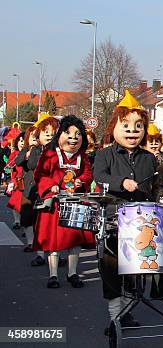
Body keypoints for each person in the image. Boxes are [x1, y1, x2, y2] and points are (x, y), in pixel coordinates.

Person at [94, 90, 159, 335]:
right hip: (114, 219)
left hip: (142, 220)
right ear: (115, 127)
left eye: (138, 126)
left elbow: (155, 186)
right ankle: (114, 319)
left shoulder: (149, 158)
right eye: (126, 126)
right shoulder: (105, 154)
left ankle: (127, 311)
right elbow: (99, 176)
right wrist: (120, 182)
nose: (132, 131)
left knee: (137, 271)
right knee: (112, 271)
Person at [33, 115, 95, 288]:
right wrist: (51, 185)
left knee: (75, 241)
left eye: (77, 134)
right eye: (68, 133)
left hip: (75, 202)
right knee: (53, 241)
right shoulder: (50, 154)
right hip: (54, 204)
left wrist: (81, 180)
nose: (73, 138)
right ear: (59, 135)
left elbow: (88, 174)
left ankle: (72, 273)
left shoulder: (82, 157)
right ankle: (53, 275)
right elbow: (40, 174)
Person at [15, 115, 59, 266]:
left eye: (52, 132)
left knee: (52, 225)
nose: (49, 135)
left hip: (51, 192)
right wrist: (32, 151)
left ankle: (55, 254)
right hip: (32, 189)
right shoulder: (34, 150)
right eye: (45, 132)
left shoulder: (59, 151)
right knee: (30, 220)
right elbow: (29, 164)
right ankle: (39, 252)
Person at [6, 132, 25, 230]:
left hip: (28, 181)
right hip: (17, 181)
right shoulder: (15, 154)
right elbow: (9, 166)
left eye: (24, 141)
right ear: (17, 142)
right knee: (15, 202)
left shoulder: (31, 152)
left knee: (25, 204)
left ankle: (24, 222)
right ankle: (17, 221)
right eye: (21, 141)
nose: (22, 143)